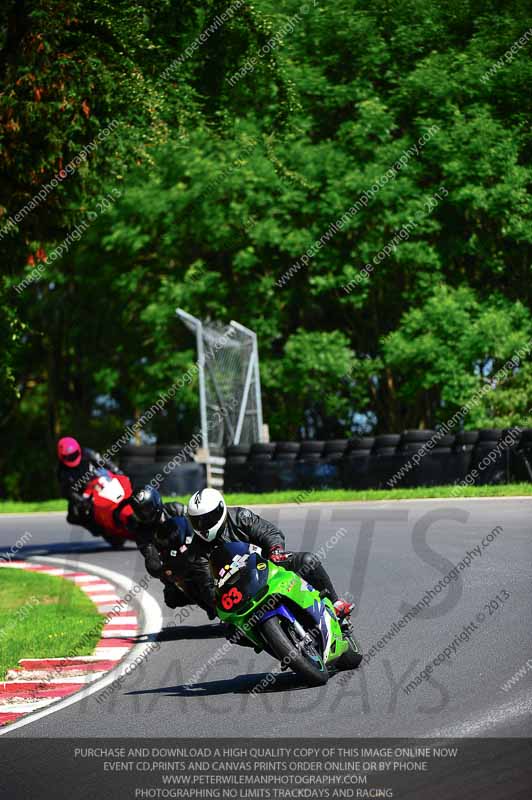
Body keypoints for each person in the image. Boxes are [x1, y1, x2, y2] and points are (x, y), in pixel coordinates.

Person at [185, 487, 354, 620]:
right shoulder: (196, 552)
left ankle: (336, 603)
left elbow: (268, 532)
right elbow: (206, 584)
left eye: (207, 519)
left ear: (221, 509)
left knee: (307, 560)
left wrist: (275, 550)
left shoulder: (240, 516)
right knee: (234, 632)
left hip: (265, 566)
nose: (202, 525)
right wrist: (216, 603)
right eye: (196, 521)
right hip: (235, 590)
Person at [126, 486, 216, 618]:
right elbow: (149, 555)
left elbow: (197, 523)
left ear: (156, 503)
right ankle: (205, 604)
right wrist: (158, 568)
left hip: (194, 547)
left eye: (147, 509)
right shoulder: (142, 532)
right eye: (139, 511)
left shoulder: (176, 509)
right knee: (172, 598)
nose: (144, 514)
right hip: (172, 563)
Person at [56, 436, 123, 535]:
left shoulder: (87, 453)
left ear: (79, 450)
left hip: (97, 480)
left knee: (120, 487)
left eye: (74, 455)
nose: (72, 458)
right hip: (81, 492)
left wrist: (117, 471)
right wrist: (82, 501)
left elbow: (104, 462)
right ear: (61, 456)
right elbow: (67, 492)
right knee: (72, 516)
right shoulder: (61, 471)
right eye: (68, 457)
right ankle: (97, 528)